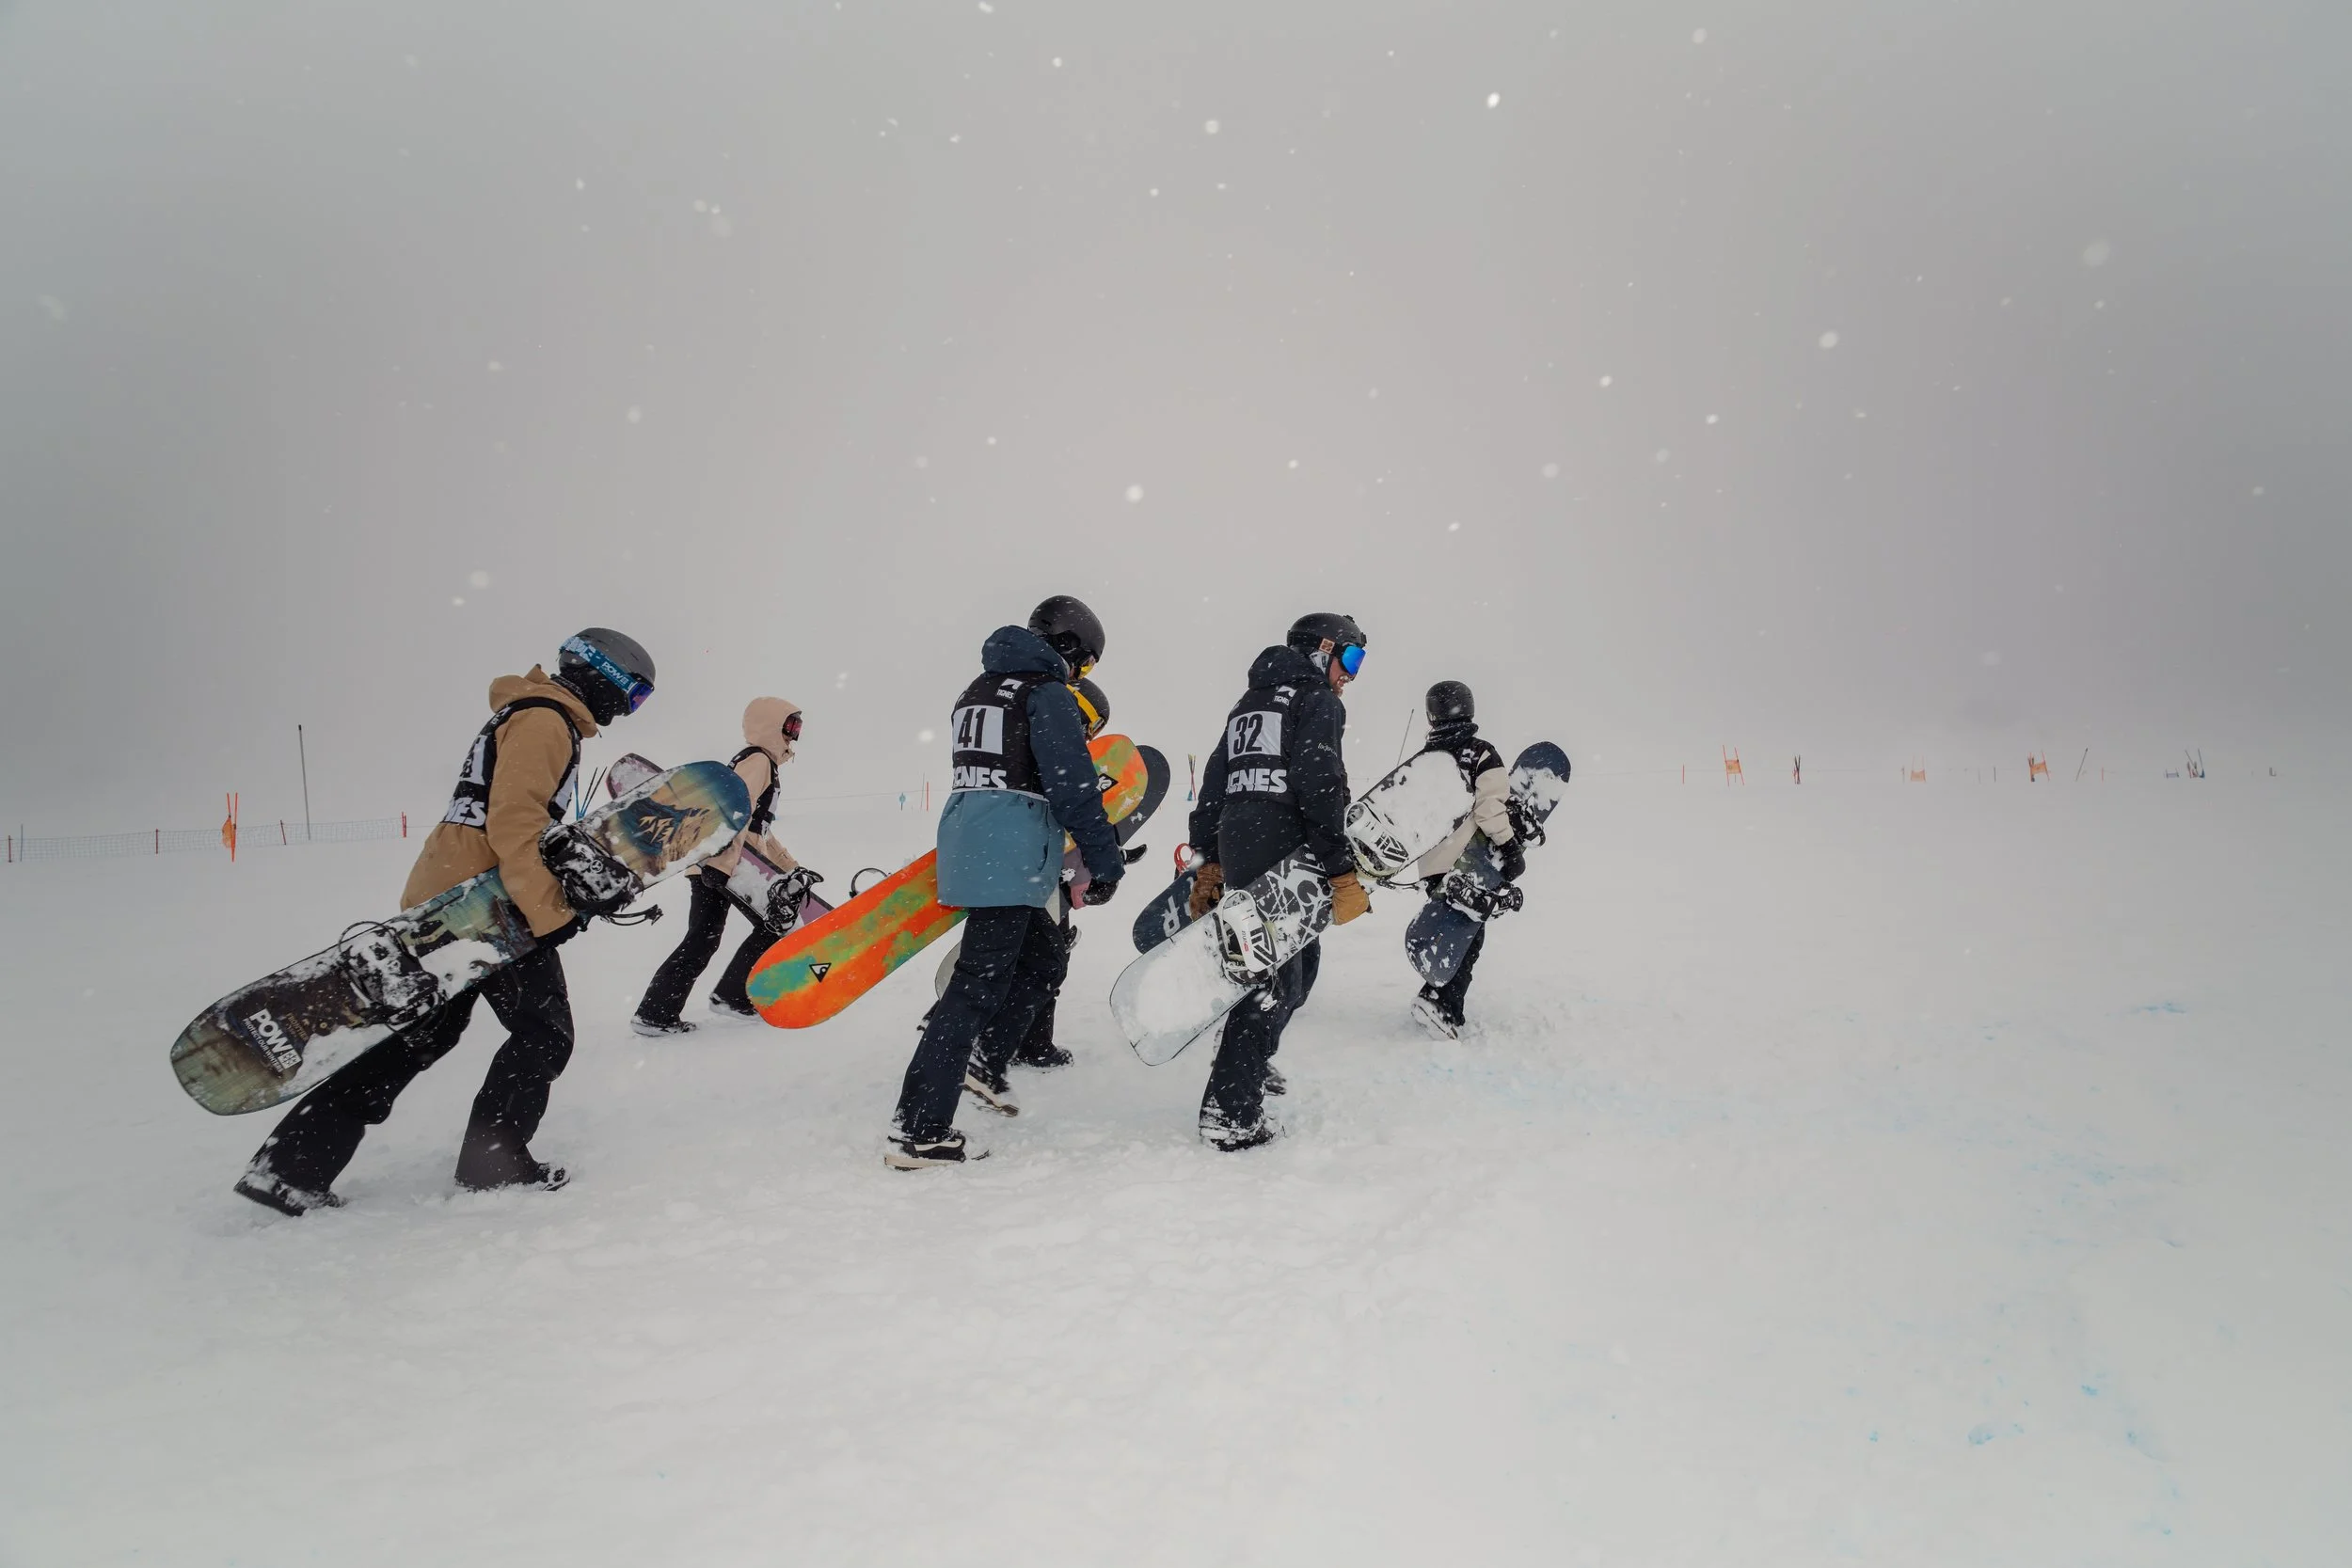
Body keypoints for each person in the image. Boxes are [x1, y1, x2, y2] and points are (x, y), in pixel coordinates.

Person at [234, 628, 657, 1214]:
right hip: (484, 904)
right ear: (602, 675)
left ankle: (291, 1167)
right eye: (633, 695)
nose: (628, 709)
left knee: (420, 1036)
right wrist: (547, 911)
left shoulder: (531, 714)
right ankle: (494, 1161)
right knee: (543, 1030)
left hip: (452, 887)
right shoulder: (546, 721)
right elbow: (515, 822)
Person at [886, 597, 1124, 1168]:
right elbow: (1072, 786)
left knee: (1044, 961)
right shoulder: (1045, 694)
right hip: (1010, 850)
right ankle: (920, 1131)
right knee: (975, 989)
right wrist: (1105, 857)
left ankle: (985, 1061)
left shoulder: (979, 690)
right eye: (1084, 666)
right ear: (1068, 647)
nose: (1078, 677)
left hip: (973, 837)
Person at [1183, 612, 1372, 1151]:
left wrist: (1210, 858)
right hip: (1283, 842)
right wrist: (1339, 869)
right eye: (1351, 659)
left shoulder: (1250, 704)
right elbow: (1320, 783)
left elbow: (1215, 783)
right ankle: (1231, 1113)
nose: (1350, 676)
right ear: (1324, 650)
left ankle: (1247, 1061)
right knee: (1273, 981)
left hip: (1242, 838)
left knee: (1297, 967)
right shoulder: (1318, 701)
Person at [629, 698, 811, 1034]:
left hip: (719, 863)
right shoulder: (758, 761)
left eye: (798, 728)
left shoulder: (759, 762)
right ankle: (733, 996)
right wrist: (722, 866)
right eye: (790, 726)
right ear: (771, 725)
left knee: (702, 939)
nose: (794, 735)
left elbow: (761, 831)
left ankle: (656, 1013)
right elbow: (734, 814)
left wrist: (790, 866)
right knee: (774, 925)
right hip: (727, 864)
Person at [1406, 680, 1522, 1039]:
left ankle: (1437, 995)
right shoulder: (1481, 753)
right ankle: (1441, 1003)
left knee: (1450, 931)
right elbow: (1490, 808)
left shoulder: (1425, 761)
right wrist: (1509, 845)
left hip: (1431, 864)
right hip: (1468, 860)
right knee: (1468, 935)